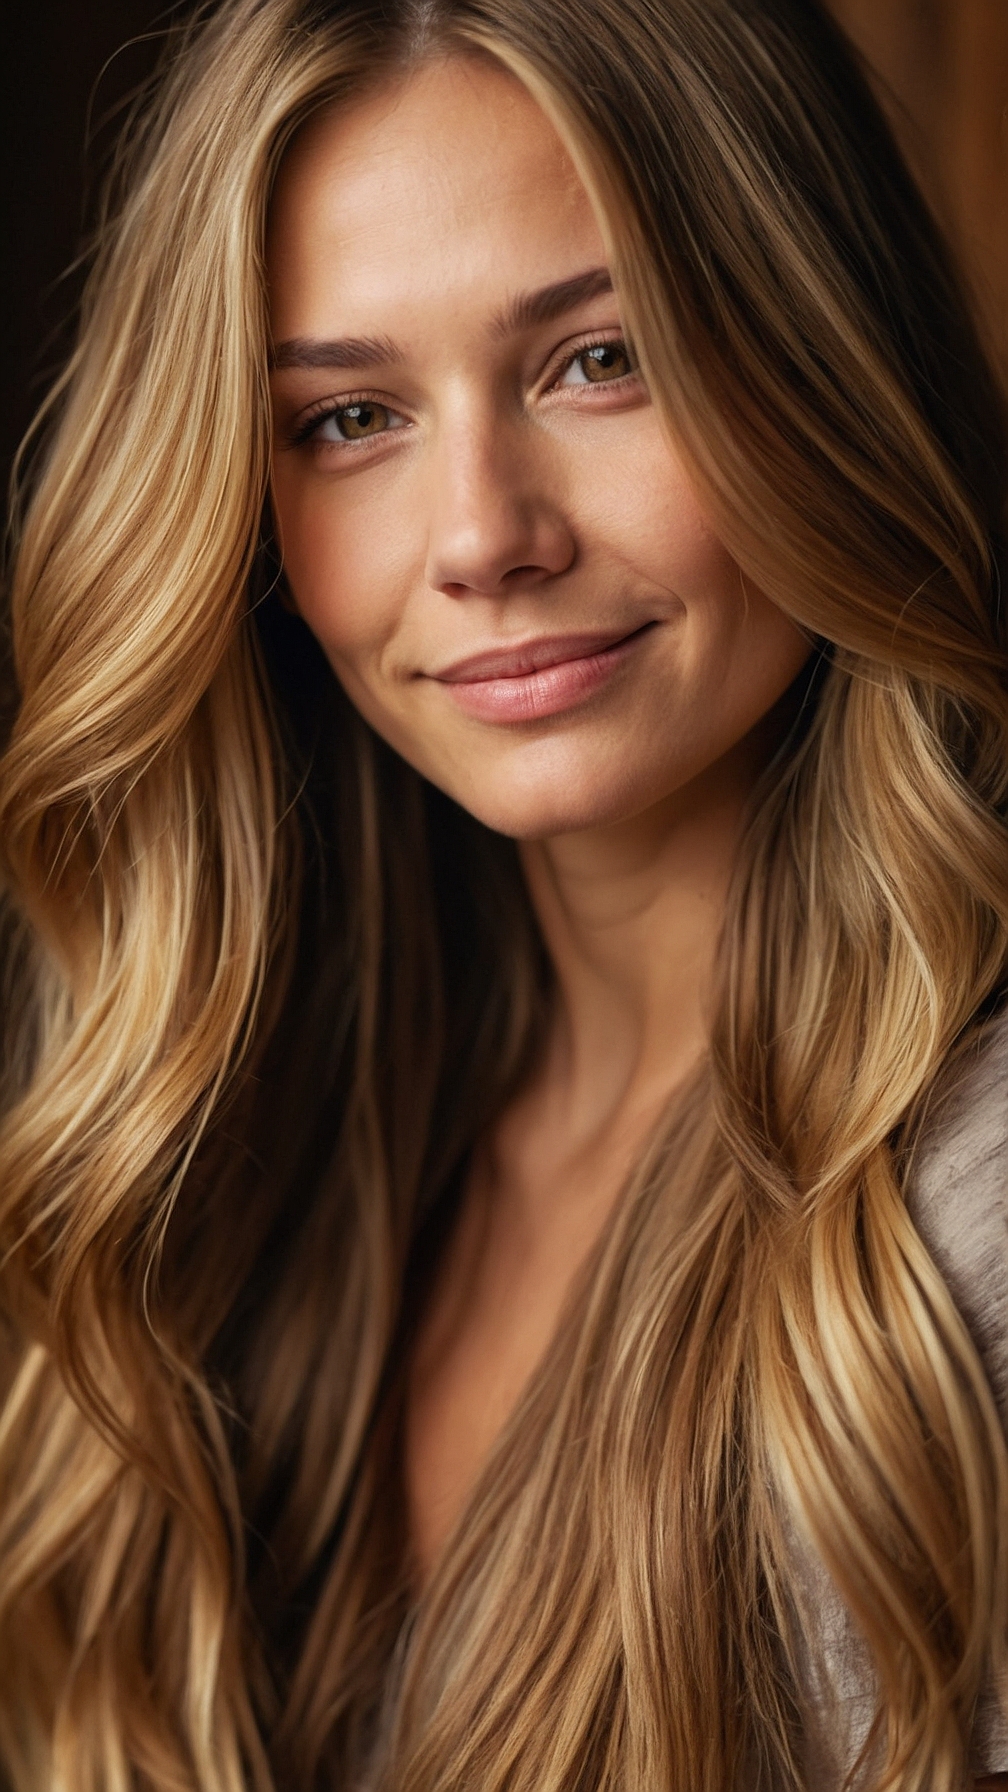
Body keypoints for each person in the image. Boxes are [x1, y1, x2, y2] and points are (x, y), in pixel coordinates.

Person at [1, 0, 1007, 1786]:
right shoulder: (273, 1156)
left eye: (599, 359)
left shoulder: (965, 1215)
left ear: (821, 351)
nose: (482, 535)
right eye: (352, 415)